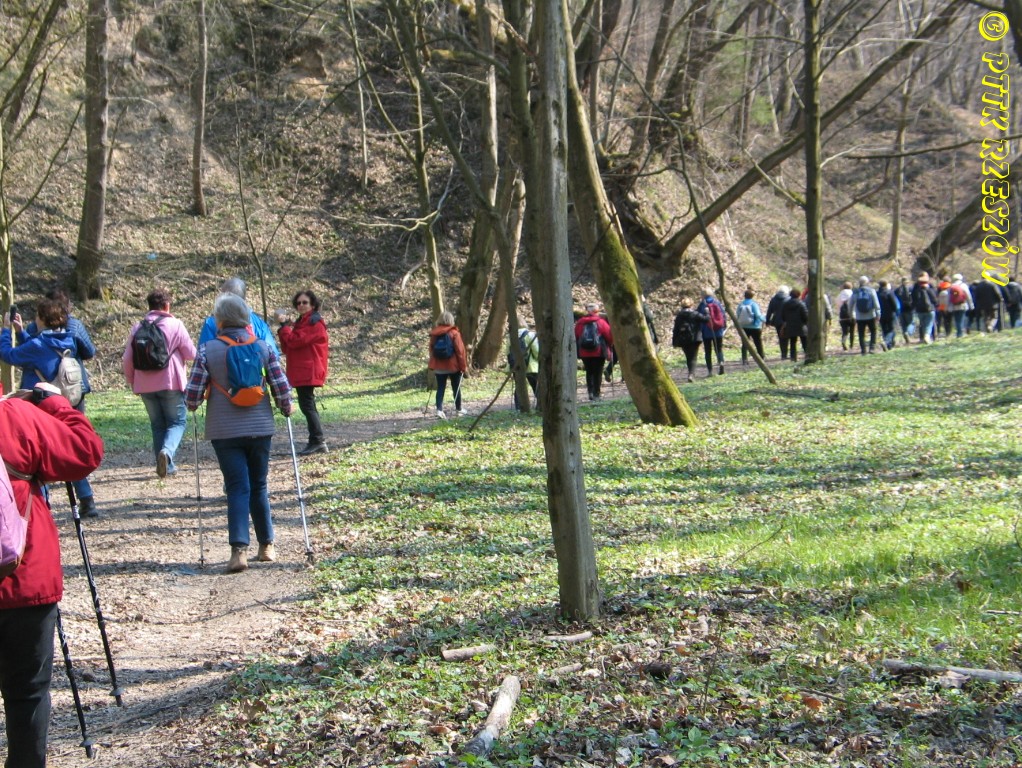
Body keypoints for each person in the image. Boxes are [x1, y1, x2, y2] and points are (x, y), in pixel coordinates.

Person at [0, 382, 104, 768]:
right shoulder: (15, 416)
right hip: (21, 577)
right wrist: (56, 403)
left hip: (24, 582)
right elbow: (85, 450)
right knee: (26, 693)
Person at [185, 293, 293, 573]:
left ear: (219, 320)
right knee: (259, 485)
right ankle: (266, 545)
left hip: (224, 430)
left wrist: (193, 403)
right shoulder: (263, 347)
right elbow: (281, 386)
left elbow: (192, 396)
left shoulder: (207, 350)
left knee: (236, 487)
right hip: (260, 427)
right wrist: (286, 407)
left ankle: (238, 552)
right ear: (246, 319)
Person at [1, 298, 101, 517]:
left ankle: (41, 503)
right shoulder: (67, 339)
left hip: (40, 407)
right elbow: (39, 354)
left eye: (37, 316)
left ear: (43, 318)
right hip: (65, 401)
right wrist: (21, 332)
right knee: (68, 447)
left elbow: (9, 355)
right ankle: (86, 499)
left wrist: (6, 331)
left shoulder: (38, 345)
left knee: (39, 454)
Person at [122, 289, 197, 478]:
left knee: (157, 425)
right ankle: (167, 453)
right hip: (170, 382)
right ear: (167, 305)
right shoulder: (175, 324)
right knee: (177, 422)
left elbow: (127, 359)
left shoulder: (138, 327)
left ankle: (165, 467)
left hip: (144, 385)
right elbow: (191, 354)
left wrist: (132, 382)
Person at [277, 290, 329, 455]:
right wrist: (285, 328)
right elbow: (287, 347)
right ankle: (316, 440)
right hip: (301, 369)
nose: (301, 305)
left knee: (307, 405)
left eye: (305, 302)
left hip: (309, 369)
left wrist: (285, 327)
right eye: (298, 303)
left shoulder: (314, 323)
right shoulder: (301, 323)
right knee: (307, 404)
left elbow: (294, 341)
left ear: (312, 304)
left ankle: (318, 440)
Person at [197, 277, 279, 354]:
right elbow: (273, 354)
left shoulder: (211, 323)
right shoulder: (259, 324)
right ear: (244, 298)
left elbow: (203, 355)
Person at [428, 310, 468, 418]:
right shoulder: (454, 333)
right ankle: (458, 409)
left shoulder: (434, 334)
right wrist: (463, 367)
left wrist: (433, 364)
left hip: (439, 366)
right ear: (451, 320)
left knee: (440, 388)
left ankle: (439, 410)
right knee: (456, 387)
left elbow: (431, 350)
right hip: (453, 366)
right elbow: (460, 351)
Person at [574, 302, 613, 400]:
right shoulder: (601, 322)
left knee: (589, 371)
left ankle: (590, 392)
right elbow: (609, 336)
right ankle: (596, 394)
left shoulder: (580, 322)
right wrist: (610, 345)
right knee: (597, 372)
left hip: (584, 352)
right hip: (599, 352)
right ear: (597, 311)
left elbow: (576, 336)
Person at [671, 297, 707, 382]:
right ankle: (691, 374)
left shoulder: (679, 315)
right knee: (693, 357)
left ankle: (690, 373)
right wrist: (707, 312)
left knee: (688, 357)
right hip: (695, 338)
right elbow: (706, 319)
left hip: (683, 339)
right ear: (691, 304)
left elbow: (676, 329)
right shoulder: (695, 314)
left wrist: (674, 341)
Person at [507, 318, 539, 411]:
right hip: (531, 366)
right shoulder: (530, 335)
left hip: (516, 366)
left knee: (519, 387)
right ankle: (540, 405)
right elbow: (536, 351)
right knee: (535, 385)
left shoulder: (510, 336)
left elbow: (507, 352)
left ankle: (519, 407)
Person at [696, 288, 726, 376]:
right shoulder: (717, 303)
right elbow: (723, 315)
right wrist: (723, 326)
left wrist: (699, 329)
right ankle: (721, 363)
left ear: (703, 295)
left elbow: (698, 317)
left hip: (706, 331)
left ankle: (710, 371)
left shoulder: (702, 304)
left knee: (708, 351)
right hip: (718, 330)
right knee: (719, 349)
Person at [850, 276, 881, 354]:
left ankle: (863, 350)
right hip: (871, 315)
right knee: (873, 331)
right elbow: (876, 304)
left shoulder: (855, 292)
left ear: (859, 282)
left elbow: (850, 305)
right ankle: (872, 348)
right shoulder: (871, 291)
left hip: (859, 317)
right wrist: (878, 314)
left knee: (861, 333)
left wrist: (851, 314)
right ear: (867, 282)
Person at [736, 288, 765, 364]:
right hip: (755, 326)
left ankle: (744, 359)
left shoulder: (741, 304)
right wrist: (764, 319)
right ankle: (761, 357)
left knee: (745, 343)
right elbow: (758, 315)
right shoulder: (753, 304)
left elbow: (737, 314)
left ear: (744, 296)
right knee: (758, 342)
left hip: (744, 326)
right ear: (752, 296)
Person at [779, 287, 808, 362]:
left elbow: (782, 315)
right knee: (804, 342)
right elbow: (805, 315)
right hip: (801, 326)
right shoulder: (801, 304)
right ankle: (807, 356)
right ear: (798, 295)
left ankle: (793, 358)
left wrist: (786, 321)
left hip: (790, 326)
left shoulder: (785, 304)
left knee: (792, 342)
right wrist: (805, 322)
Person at [910, 272, 937, 343]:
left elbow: (913, 299)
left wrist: (913, 308)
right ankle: (928, 336)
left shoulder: (915, 287)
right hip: (930, 309)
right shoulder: (929, 287)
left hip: (919, 310)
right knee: (929, 324)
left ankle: (922, 338)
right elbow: (934, 298)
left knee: (922, 324)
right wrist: (936, 305)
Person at [764, 285, 790, 358]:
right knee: (787, 337)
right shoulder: (789, 299)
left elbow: (769, 311)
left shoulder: (774, 299)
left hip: (777, 321)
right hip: (787, 321)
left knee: (780, 337)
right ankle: (788, 353)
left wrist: (767, 321)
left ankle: (783, 354)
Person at [947, 273, 974, 338]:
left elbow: (949, 297)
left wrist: (949, 307)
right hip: (963, 305)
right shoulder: (963, 285)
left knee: (957, 320)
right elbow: (968, 296)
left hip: (954, 306)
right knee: (961, 319)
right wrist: (971, 305)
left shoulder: (951, 286)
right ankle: (960, 333)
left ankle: (959, 332)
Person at [876, 279, 900, 350]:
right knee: (891, 330)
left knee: (884, 330)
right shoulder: (889, 292)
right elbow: (895, 304)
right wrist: (896, 311)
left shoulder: (877, 293)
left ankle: (889, 345)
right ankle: (886, 342)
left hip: (881, 314)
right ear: (886, 284)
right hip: (890, 314)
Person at [834, 281, 854, 351]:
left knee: (844, 331)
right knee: (852, 331)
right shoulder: (852, 293)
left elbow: (837, 304)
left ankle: (843, 341)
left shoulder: (839, 295)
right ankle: (851, 345)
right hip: (851, 315)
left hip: (842, 316)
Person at [894, 276, 915, 343]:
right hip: (909, 308)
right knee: (911, 323)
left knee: (903, 324)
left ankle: (905, 333)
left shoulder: (897, 290)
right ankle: (908, 333)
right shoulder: (911, 289)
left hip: (900, 309)